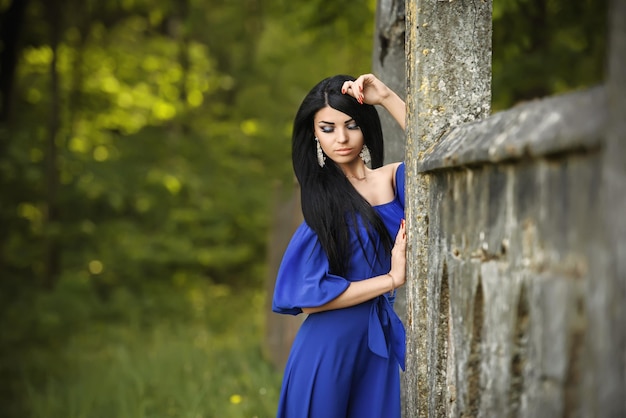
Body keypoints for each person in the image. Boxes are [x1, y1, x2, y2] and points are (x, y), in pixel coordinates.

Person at [271, 73, 407, 418]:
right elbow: (310, 300)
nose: (342, 138)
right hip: (327, 348)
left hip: (375, 347)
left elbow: (439, 149)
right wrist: (390, 280)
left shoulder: (394, 178)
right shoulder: (323, 204)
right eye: (327, 128)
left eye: (351, 125)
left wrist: (387, 96)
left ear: (366, 127)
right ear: (314, 135)